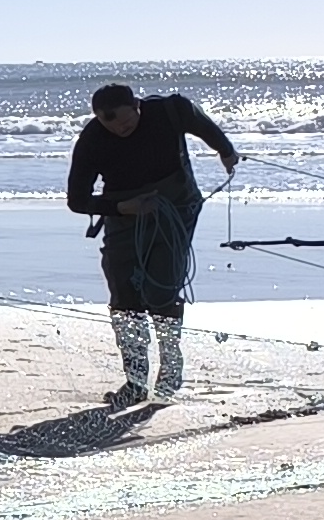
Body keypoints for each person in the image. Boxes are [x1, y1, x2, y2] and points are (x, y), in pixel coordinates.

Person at [63, 81, 238, 403]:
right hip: (124, 214)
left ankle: (171, 363)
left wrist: (225, 151)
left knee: (161, 289)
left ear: (137, 105)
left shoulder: (170, 110)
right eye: (108, 123)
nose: (119, 129)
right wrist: (120, 208)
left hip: (177, 206)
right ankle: (135, 380)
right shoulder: (92, 140)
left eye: (125, 120)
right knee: (124, 294)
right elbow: (76, 199)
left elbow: (202, 124)